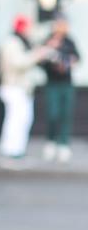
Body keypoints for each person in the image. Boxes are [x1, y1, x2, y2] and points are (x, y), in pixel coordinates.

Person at [0, 15, 50, 165]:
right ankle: (10, 152)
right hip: (14, 87)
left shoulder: (21, 42)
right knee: (15, 120)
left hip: (22, 88)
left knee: (23, 120)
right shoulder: (12, 42)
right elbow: (18, 63)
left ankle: (17, 151)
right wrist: (37, 55)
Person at [40, 16, 80, 163]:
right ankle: (50, 141)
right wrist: (50, 52)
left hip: (66, 83)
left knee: (66, 114)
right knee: (53, 113)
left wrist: (67, 62)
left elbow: (77, 58)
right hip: (52, 83)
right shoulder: (48, 40)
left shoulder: (69, 41)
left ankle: (63, 144)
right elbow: (40, 61)